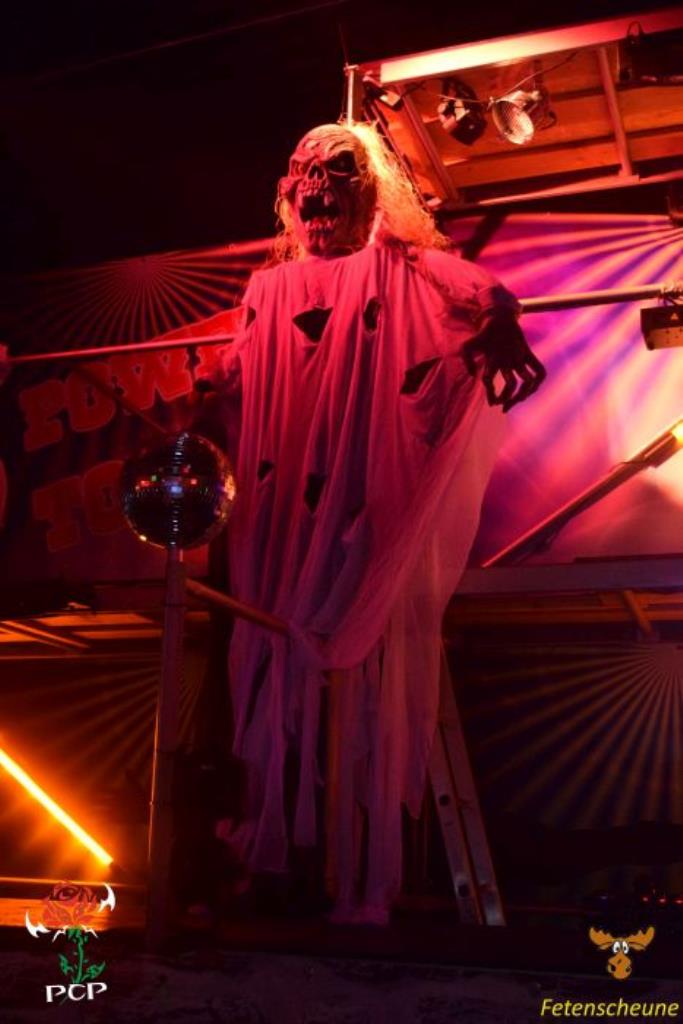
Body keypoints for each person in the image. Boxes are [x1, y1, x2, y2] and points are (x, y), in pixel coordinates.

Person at [212, 121, 545, 923]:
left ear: (368, 189)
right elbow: (234, 367)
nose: (316, 188)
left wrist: (497, 322)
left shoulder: (396, 267)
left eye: (336, 170)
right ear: (287, 193)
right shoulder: (268, 291)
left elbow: (477, 290)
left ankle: (352, 867)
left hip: (360, 484)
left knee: (362, 653)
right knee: (271, 654)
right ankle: (276, 857)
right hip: (283, 501)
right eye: (303, 173)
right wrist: (208, 388)